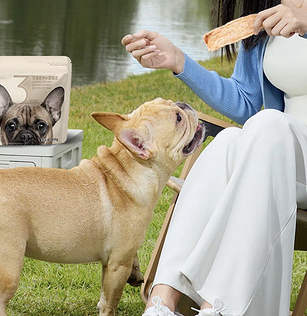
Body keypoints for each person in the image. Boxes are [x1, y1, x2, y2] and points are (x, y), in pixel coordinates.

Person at [122, 1, 307, 315]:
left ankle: (223, 307)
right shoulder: (267, 12)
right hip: (280, 157)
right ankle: (162, 303)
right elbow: (245, 101)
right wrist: (178, 60)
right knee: (228, 142)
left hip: (285, 147)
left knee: (267, 124)